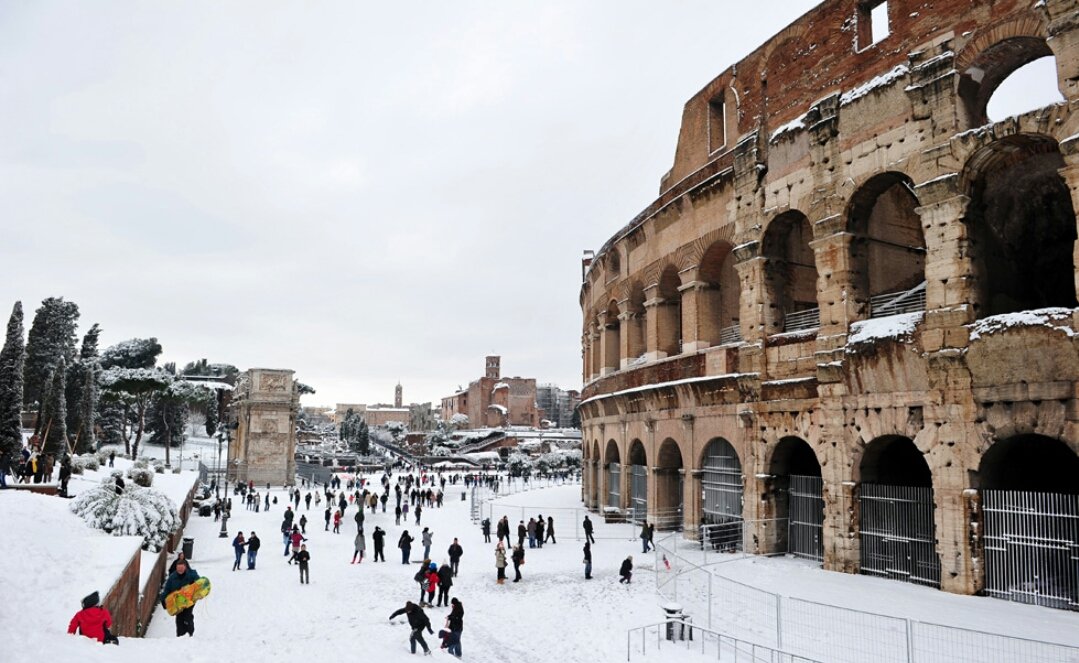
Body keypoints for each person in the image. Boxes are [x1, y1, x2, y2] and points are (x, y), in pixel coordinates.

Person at [158, 558, 200, 637]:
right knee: (179, 618)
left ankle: (190, 632)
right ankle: (180, 635)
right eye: (178, 569)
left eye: (181, 568)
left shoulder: (191, 574)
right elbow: (167, 589)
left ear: (185, 567)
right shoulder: (172, 577)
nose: (180, 570)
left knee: (187, 615)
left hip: (189, 600)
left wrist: (193, 584)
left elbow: (198, 581)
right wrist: (163, 599)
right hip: (178, 601)